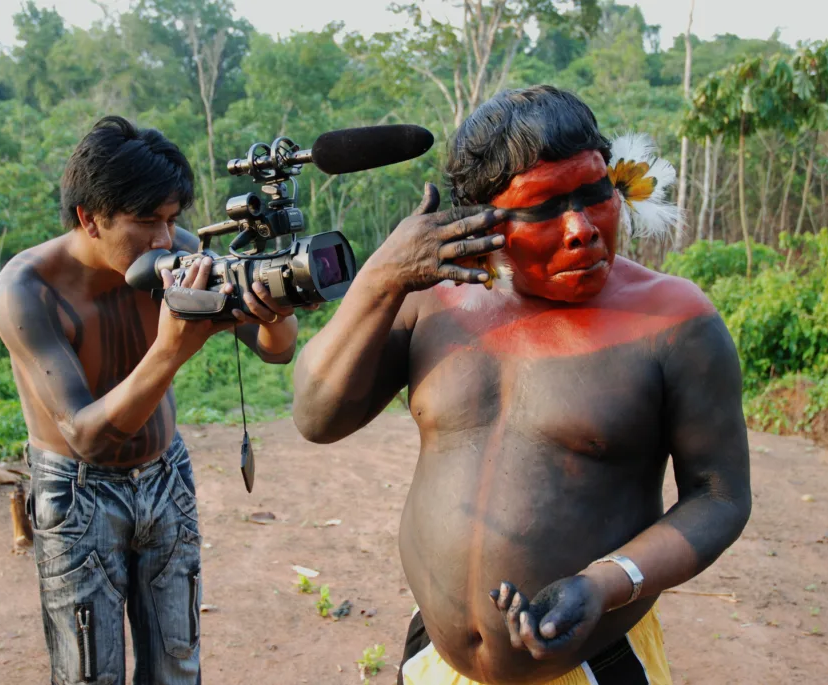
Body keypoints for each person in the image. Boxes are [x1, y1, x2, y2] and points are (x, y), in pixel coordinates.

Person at [291, 85, 751, 685]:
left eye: (594, 194)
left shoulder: (674, 321)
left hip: (593, 664)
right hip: (436, 663)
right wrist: (381, 279)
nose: (581, 228)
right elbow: (317, 416)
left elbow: (719, 496)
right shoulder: (431, 302)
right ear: (480, 219)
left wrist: (607, 582)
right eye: (542, 208)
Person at [0, 115, 299, 685]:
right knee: (90, 674)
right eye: (144, 222)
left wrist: (272, 308)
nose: (164, 239)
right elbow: (85, 434)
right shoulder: (27, 290)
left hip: (165, 473)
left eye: (173, 219)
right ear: (89, 217)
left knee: (177, 664)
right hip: (78, 489)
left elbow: (274, 351)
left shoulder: (178, 252)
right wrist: (171, 349)